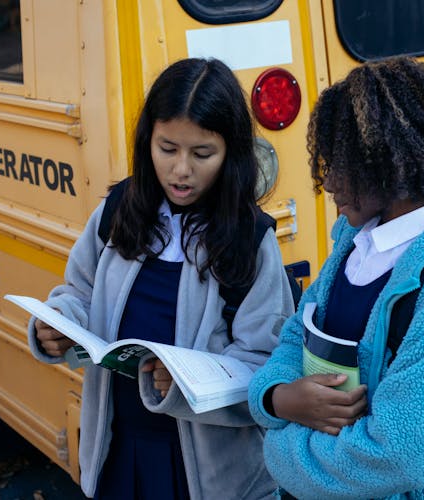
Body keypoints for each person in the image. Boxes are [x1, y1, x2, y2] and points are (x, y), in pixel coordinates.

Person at [248, 56, 424, 499]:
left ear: (391, 165)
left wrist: (284, 450)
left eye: (339, 163)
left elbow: (402, 453)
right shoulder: (356, 239)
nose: (326, 183)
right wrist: (276, 397)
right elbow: (299, 333)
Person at [29, 58, 294, 499]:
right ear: (146, 140)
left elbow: (266, 362)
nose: (181, 170)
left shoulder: (249, 240)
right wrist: (57, 322)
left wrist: (189, 384)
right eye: (167, 149)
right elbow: (78, 291)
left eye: (202, 154)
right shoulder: (120, 210)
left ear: (232, 153)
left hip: (208, 476)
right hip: (117, 450)